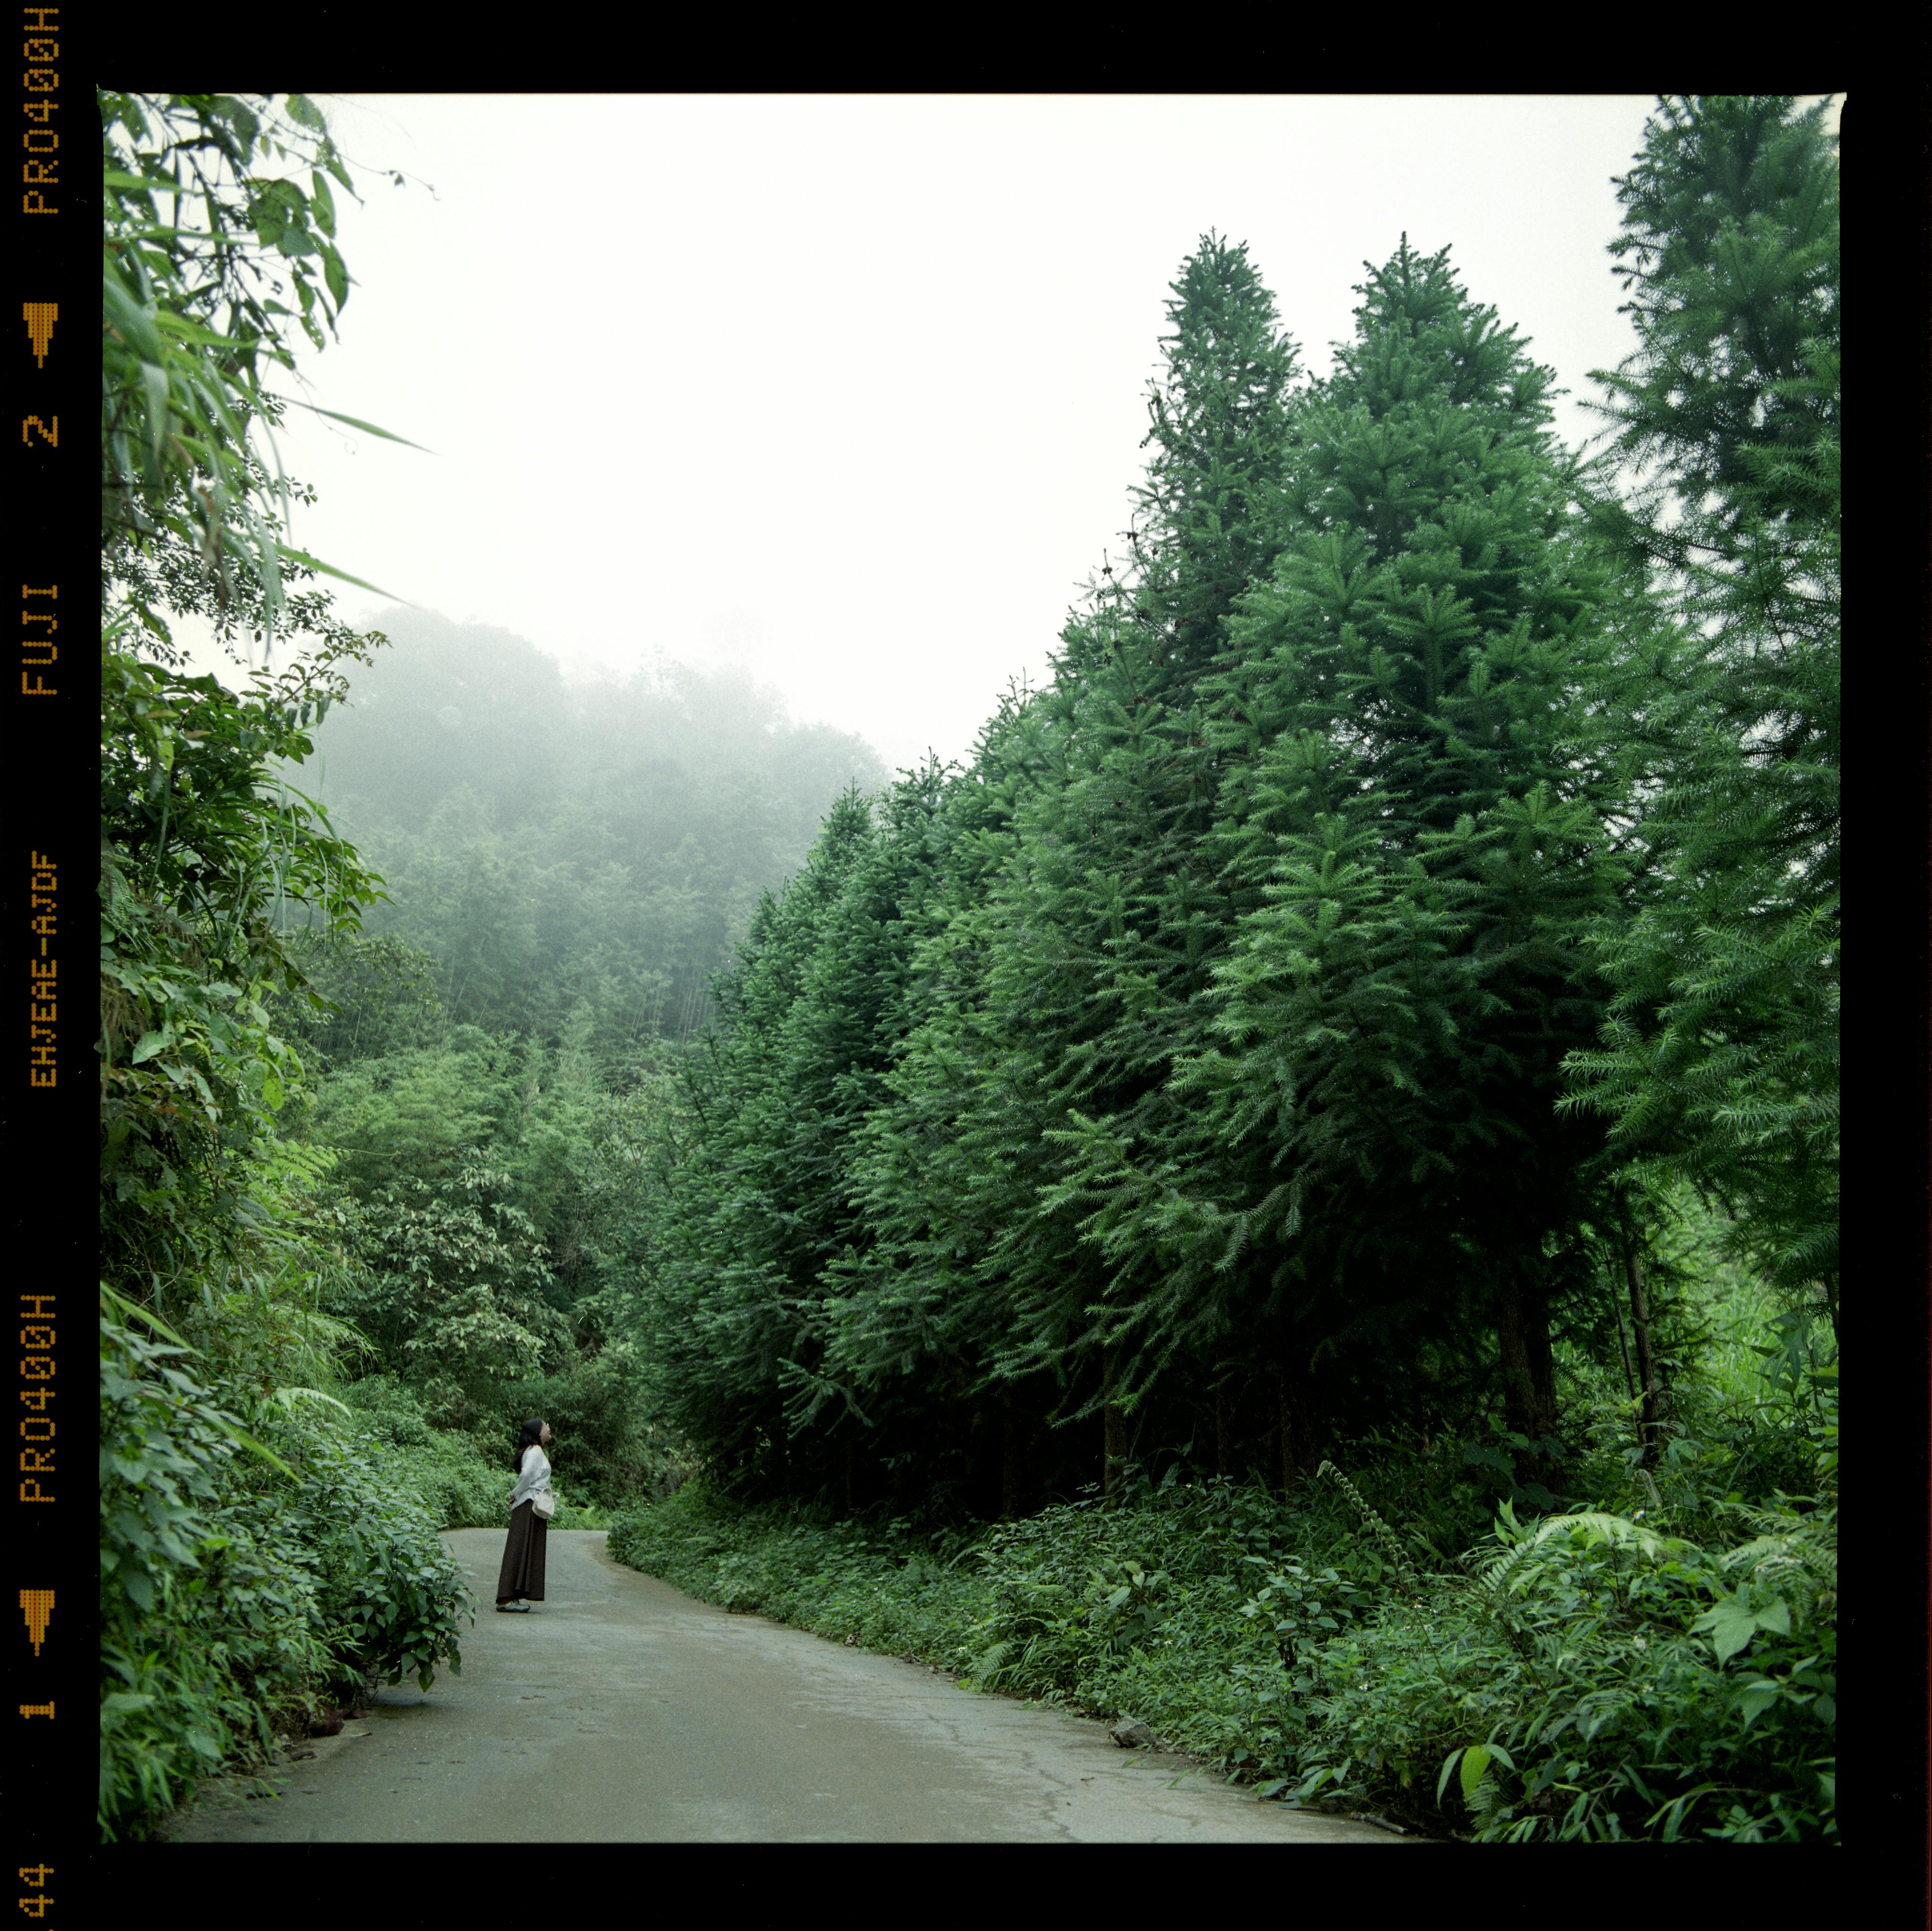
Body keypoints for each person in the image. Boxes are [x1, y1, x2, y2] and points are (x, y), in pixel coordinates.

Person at [496, 1417, 553, 1613]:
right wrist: (516, 1493)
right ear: (537, 1432)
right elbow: (527, 1475)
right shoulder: (535, 1451)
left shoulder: (534, 1451)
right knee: (519, 1549)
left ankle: (512, 1597)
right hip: (529, 1504)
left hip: (530, 1504)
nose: (549, 1429)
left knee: (522, 1549)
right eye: (545, 1427)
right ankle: (506, 1598)